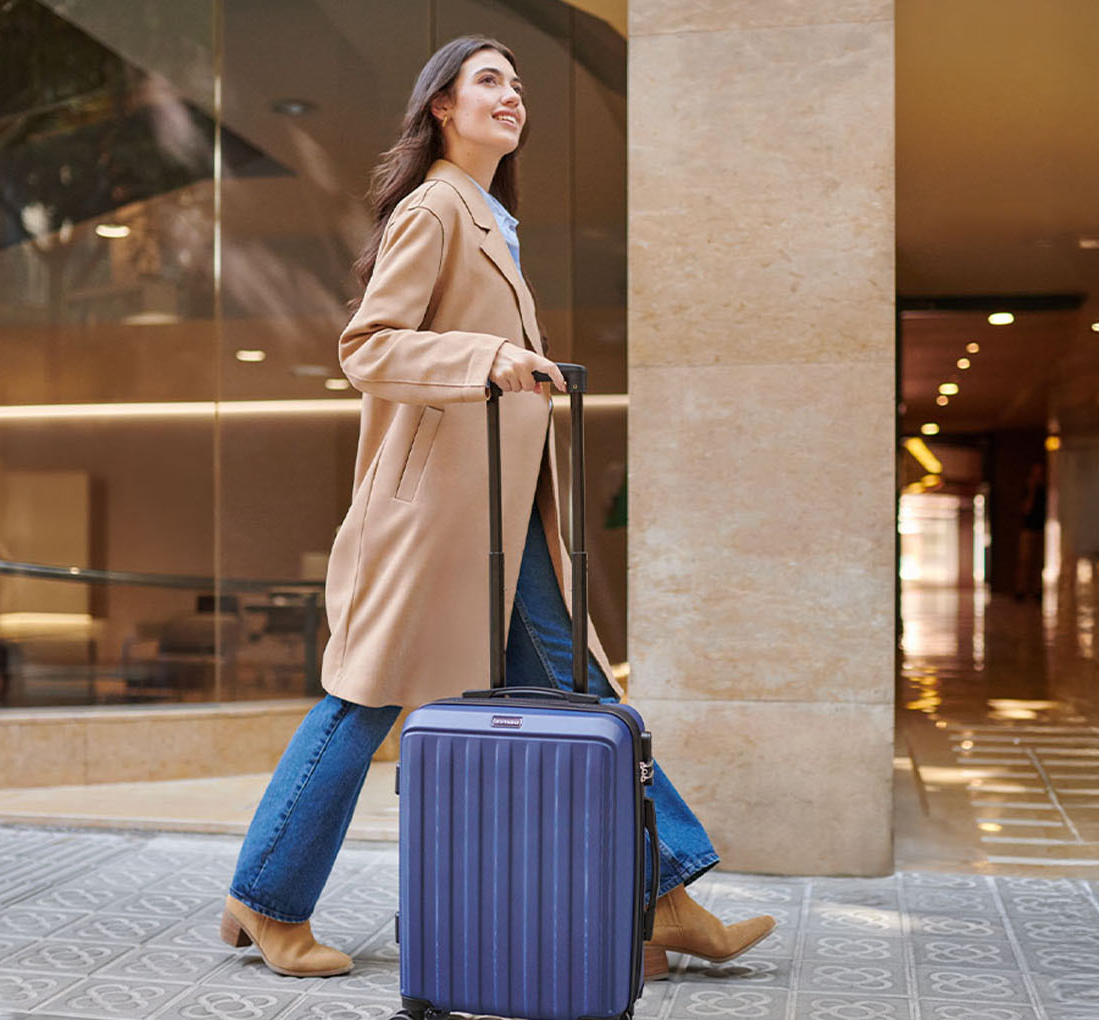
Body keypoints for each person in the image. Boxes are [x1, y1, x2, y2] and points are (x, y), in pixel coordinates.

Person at [218, 35, 775, 983]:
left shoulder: (487, 216)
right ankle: (266, 902)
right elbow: (369, 347)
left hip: (501, 518)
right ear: (442, 104)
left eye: (518, 85)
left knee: (578, 692)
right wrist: (485, 357)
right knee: (363, 699)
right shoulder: (435, 208)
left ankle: (664, 899)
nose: (511, 97)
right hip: (432, 515)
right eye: (489, 81)